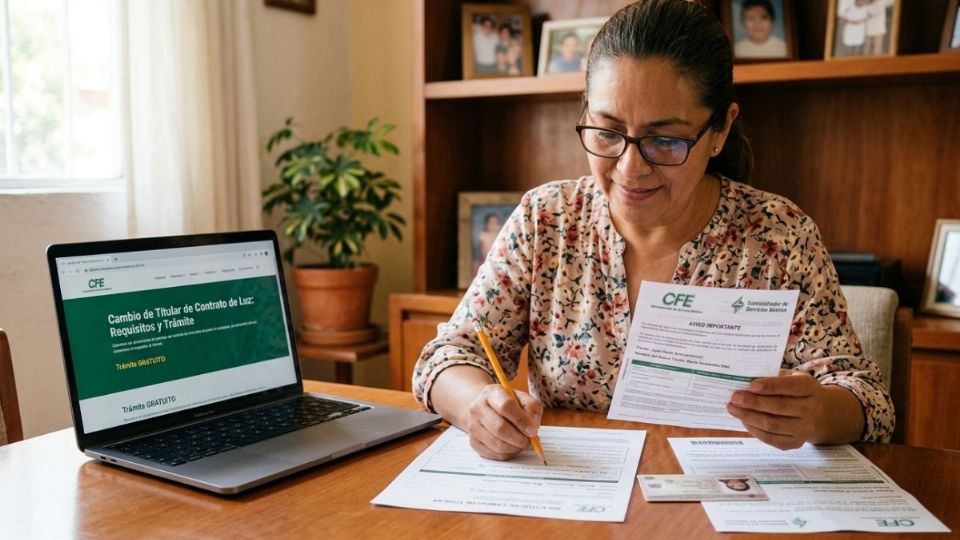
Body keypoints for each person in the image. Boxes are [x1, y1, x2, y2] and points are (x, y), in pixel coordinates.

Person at [413, 0, 894, 462]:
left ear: (721, 130)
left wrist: (816, 415)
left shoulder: (778, 236)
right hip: (576, 500)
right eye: (607, 132)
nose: (629, 168)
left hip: (721, 504)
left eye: (665, 140)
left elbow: (868, 399)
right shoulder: (548, 220)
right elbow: (447, 356)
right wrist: (477, 406)